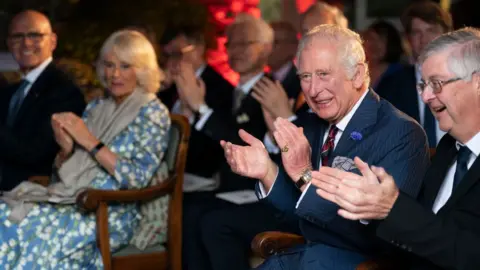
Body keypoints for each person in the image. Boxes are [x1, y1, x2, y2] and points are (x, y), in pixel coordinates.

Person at [221, 24, 430, 270]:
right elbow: (300, 217)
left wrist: (305, 176)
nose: (312, 90)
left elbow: (383, 239)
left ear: (357, 74)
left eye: (323, 74)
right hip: (306, 258)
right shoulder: (311, 124)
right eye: (305, 77)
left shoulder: (401, 133)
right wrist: (267, 172)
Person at [312, 27, 480, 270]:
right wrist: (370, 207)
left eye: (437, 83)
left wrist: (392, 207)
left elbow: (470, 254)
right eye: (423, 85)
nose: (427, 96)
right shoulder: (449, 149)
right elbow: (417, 238)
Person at [0, 29, 170, 269]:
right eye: (109, 65)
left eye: (125, 66)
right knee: (4, 217)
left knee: (36, 231)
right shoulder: (97, 106)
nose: (115, 75)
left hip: (110, 210)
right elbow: (64, 175)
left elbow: (137, 178)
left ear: (142, 70)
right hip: (72, 198)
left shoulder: (152, 113)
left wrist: (90, 141)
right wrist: (66, 150)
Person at [0, 10, 85, 191]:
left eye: (35, 35)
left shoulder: (64, 91)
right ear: (8, 43)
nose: (26, 43)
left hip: (32, 194)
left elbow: (37, 155)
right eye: (17, 37)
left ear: (53, 41)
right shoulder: (9, 92)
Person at [375, 1, 453, 147]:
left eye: (431, 31)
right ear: (408, 39)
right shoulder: (391, 84)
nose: (424, 39)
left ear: (447, 34)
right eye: (417, 32)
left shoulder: (464, 80)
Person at [361, 20, 405, 89]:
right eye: (370, 38)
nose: (374, 44)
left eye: (381, 40)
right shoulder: (357, 72)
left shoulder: (400, 73)